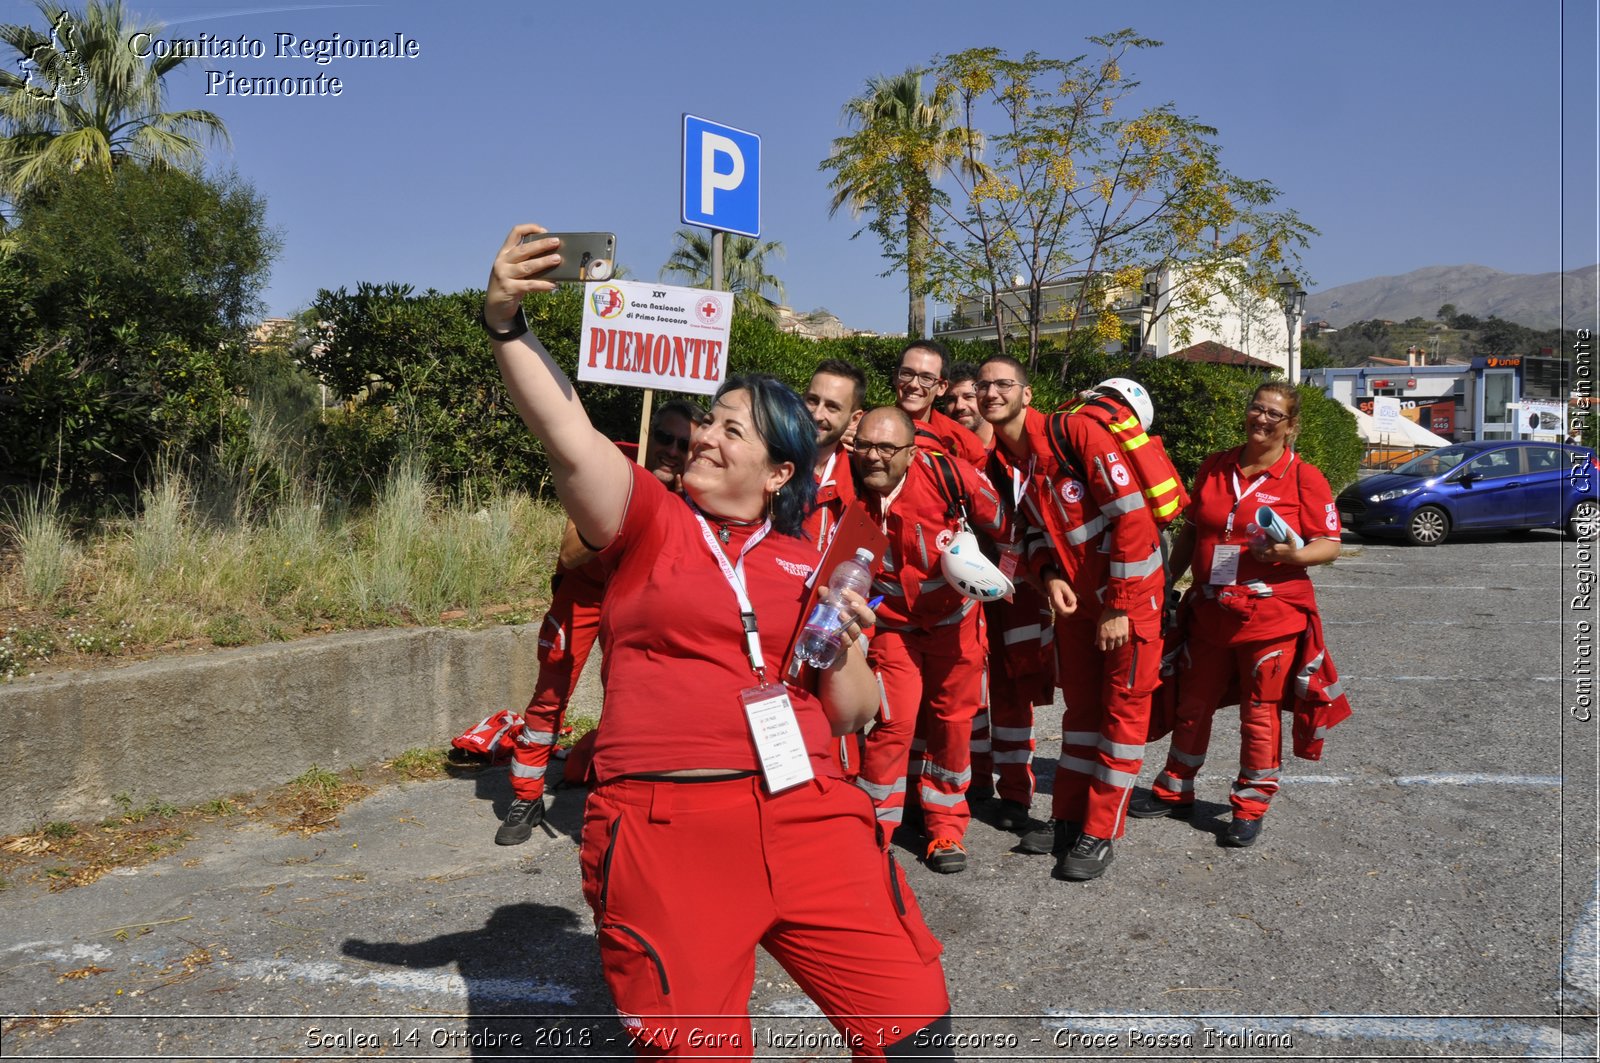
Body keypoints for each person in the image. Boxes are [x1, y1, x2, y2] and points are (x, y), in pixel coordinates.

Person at [483, 225, 952, 1059]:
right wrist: (508, 323)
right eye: (709, 422)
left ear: (778, 473)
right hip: (670, 830)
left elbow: (851, 714)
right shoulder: (650, 522)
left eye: (732, 431)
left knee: (916, 1026)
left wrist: (844, 644)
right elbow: (567, 429)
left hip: (811, 815)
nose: (703, 436)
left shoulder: (817, 560)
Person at [1131, 381, 1345, 847]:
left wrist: (1290, 557)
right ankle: (1175, 787)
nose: (1262, 419)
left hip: (1270, 616)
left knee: (1260, 712)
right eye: (1256, 409)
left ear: (1291, 426)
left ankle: (1250, 803)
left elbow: (1329, 544)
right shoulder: (1215, 465)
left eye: (1274, 414)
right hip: (1209, 610)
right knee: (1192, 702)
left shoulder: (1303, 477)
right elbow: (1191, 531)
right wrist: (1166, 580)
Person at [981, 356, 1165, 882]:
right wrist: (1048, 574)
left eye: (1003, 384)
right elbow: (1032, 532)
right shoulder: (1007, 460)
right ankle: (1067, 818)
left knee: (1122, 720)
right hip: (1079, 604)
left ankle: (1101, 831)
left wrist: (1119, 605)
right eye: (984, 385)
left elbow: (1132, 516)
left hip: (1127, 603)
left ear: (1026, 393)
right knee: (1080, 716)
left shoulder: (1077, 434)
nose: (992, 393)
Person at [496, 399, 702, 845]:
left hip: (639, 598)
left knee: (633, 698)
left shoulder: (700, 489)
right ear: (648, 437)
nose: (671, 449)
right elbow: (569, 552)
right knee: (550, 694)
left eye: (684, 444)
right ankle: (526, 796)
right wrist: (617, 512)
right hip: (584, 594)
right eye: (663, 437)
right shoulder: (613, 470)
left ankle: (617, 789)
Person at [849, 407, 1008, 874]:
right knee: (891, 723)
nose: (873, 458)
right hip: (893, 628)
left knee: (952, 723)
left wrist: (996, 575)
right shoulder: (847, 482)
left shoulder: (947, 476)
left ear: (911, 452)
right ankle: (873, 827)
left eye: (886, 449)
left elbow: (1004, 524)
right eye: (865, 446)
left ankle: (946, 826)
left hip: (955, 624)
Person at [802, 358, 867, 550]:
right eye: (812, 401)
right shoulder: (768, 462)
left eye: (832, 407)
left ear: (854, 419)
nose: (816, 415)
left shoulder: (861, 481)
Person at [894, 340, 989, 466]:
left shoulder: (964, 442)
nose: (913, 384)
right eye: (907, 373)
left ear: (942, 387)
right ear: (895, 377)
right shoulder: (868, 428)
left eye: (926, 378)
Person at [943, 362, 994, 450]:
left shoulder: (1010, 445)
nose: (959, 406)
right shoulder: (940, 449)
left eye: (968, 397)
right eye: (951, 400)